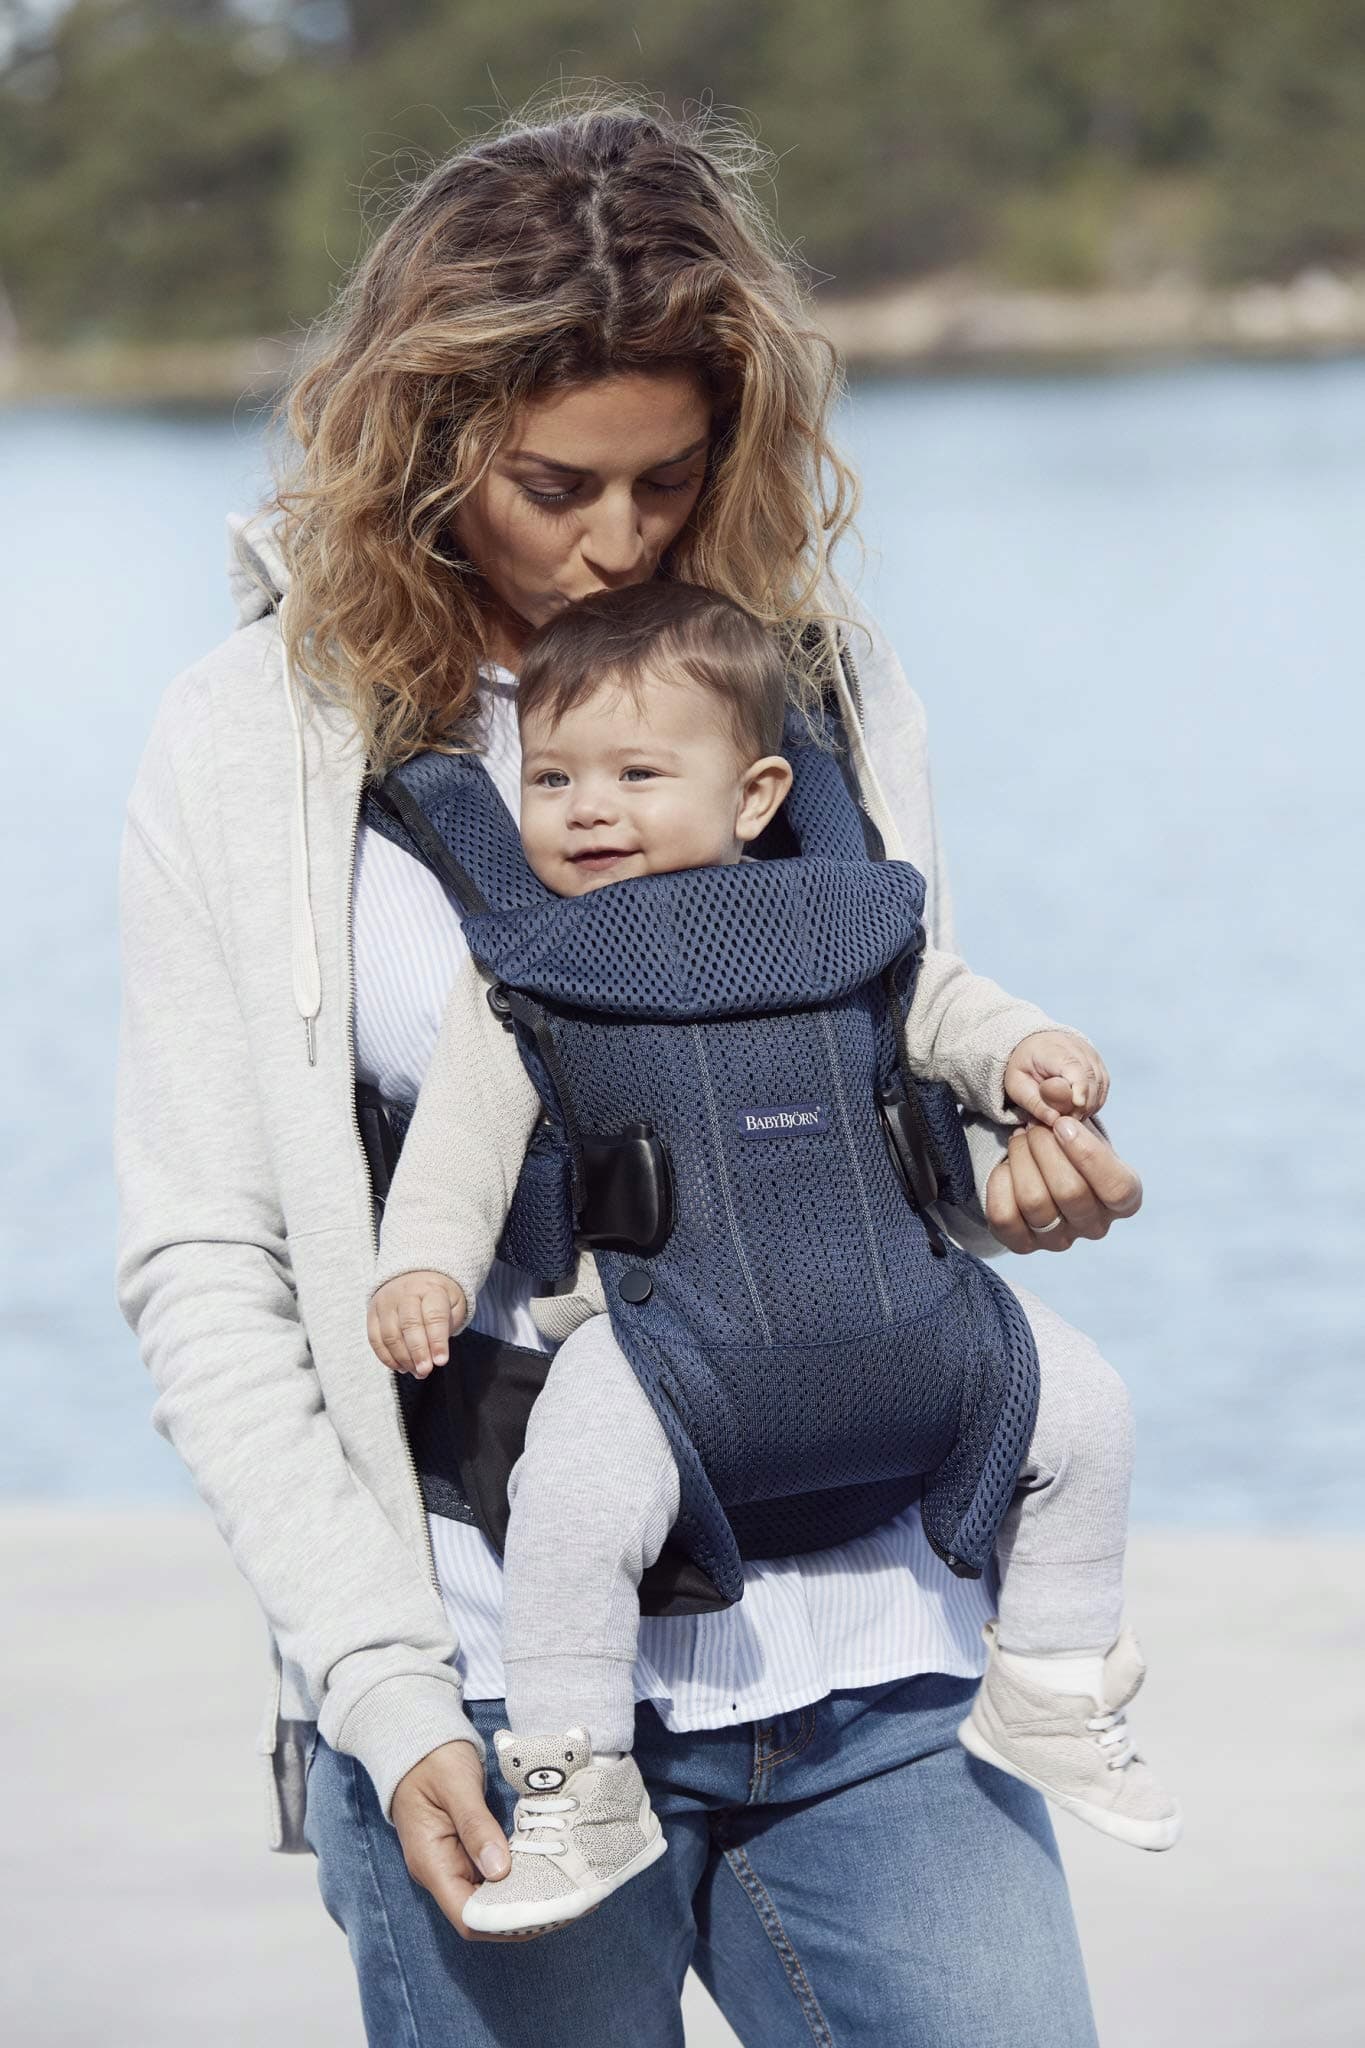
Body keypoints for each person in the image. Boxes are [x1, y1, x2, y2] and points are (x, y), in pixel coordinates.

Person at [114, 95, 1147, 2044]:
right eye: (555, 483)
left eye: (666, 480)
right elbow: (208, 1264)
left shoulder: (817, 685)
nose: (615, 542)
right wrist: (380, 1683)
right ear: (424, 444)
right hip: (496, 1679)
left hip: (878, 1660)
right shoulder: (252, 742)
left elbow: (866, 1104)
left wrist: (1014, 1164)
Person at [363, 579, 1178, 1936]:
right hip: (660, 1342)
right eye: (552, 778)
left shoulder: (839, 918)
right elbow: (460, 1143)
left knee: (1086, 1410)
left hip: (912, 1312)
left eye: (635, 773)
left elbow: (946, 1005)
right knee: (570, 1503)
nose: (586, 808)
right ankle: (578, 1782)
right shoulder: (520, 968)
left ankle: (1050, 1679)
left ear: (755, 797)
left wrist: (1026, 1054)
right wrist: (424, 1269)